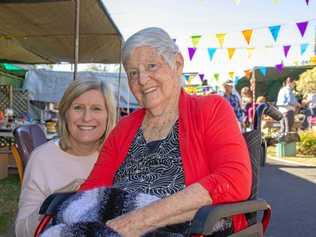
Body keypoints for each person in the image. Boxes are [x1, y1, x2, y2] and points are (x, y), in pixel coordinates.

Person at [79, 27, 251, 236]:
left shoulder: (210, 108)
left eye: (151, 66)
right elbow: (91, 191)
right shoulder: (123, 129)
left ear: (177, 64)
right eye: (133, 73)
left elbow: (234, 179)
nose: (142, 80)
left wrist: (136, 222)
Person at [15, 78, 117, 237]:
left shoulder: (120, 158)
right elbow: (21, 231)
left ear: (108, 116)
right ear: (65, 113)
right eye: (78, 108)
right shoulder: (42, 158)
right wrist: (57, 200)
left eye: (96, 108)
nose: (86, 118)